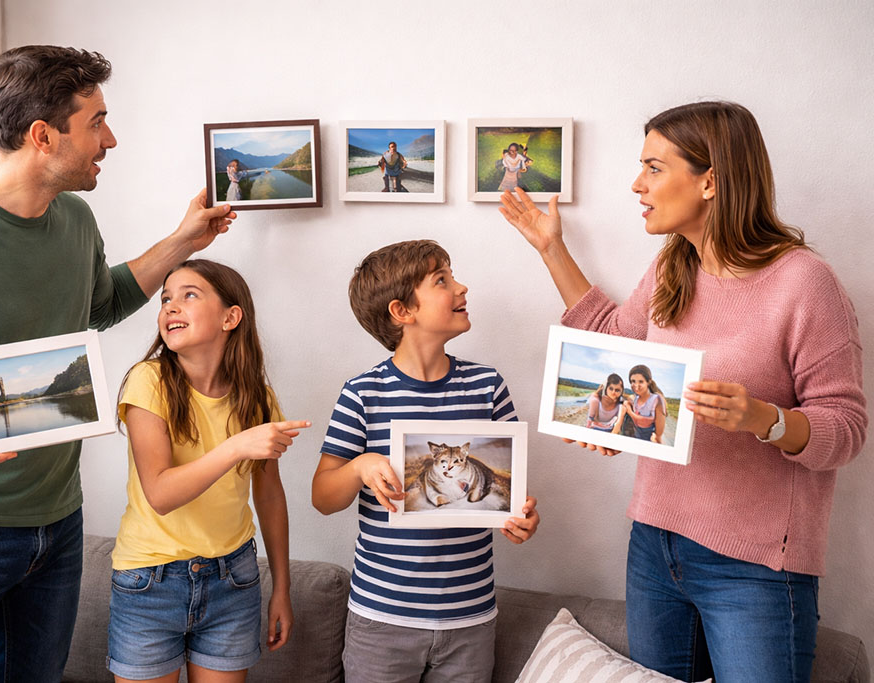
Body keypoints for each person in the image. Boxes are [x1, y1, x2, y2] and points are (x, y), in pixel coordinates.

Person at [0, 45, 237, 682]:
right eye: (97, 122)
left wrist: (183, 241)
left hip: (57, 525)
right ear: (42, 135)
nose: (110, 139)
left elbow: (103, 302)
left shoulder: (75, 220)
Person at [499, 101, 866, 682]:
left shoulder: (805, 282)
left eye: (653, 167)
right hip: (655, 547)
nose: (636, 185)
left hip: (756, 569)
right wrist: (550, 248)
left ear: (710, 181)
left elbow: (845, 428)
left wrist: (765, 419)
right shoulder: (674, 266)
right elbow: (613, 342)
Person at [311, 239, 540, 683]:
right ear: (402, 311)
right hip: (381, 618)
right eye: (442, 281)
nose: (461, 288)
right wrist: (358, 468)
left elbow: (517, 496)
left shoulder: (488, 386)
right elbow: (322, 497)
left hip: (470, 618)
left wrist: (525, 518)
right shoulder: (363, 394)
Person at [109, 260, 307, 682]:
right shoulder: (148, 381)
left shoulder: (257, 397)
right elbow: (160, 494)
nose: (171, 307)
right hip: (149, 581)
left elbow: (270, 497)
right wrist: (236, 446)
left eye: (189, 295)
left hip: (232, 581)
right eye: (166, 299)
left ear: (230, 317)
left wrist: (282, 591)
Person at [624, 365, 666, 442]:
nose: (636, 385)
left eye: (641, 381)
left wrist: (630, 412)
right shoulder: (635, 398)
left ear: (648, 382)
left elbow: (658, 435)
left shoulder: (656, 399)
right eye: (633, 381)